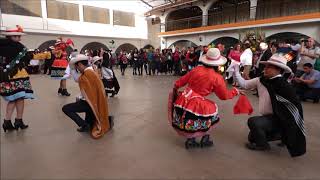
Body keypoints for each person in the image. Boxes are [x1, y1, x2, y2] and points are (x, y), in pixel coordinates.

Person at [233, 54, 306, 157]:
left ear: (278, 70)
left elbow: (294, 108)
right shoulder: (261, 80)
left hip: (279, 119)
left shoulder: (284, 86)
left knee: (253, 121)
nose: (265, 69)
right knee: (252, 138)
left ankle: (263, 145)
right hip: (268, 118)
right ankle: (278, 135)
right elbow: (244, 84)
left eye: (269, 67)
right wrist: (236, 70)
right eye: (266, 66)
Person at [170, 48, 240, 149]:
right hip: (197, 101)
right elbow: (223, 96)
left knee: (192, 117)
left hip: (184, 98)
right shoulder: (217, 77)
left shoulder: (196, 69)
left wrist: (175, 89)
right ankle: (205, 138)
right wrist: (235, 91)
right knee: (210, 113)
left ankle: (191, 139)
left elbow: (180, 81)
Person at [62, 54, 113, 138]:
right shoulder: (92, 71)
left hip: (90, 103)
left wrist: (81, 97)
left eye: (77, 67)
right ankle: (90, 123)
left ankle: (84, 125)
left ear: (80, 65)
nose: (77, 69)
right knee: (88, 113)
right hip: (95, 101)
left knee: (66, 108)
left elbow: (80, 82)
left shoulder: (87, 74)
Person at [0, 25, 34, 132]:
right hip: (18, 76)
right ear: (12, 37)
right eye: (17, 36)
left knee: (14, 99)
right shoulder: (18, 47)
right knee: (19, 98)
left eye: (19, 36)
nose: (20, 38)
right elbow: (28, 57)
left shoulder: (2, 46)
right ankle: (17, 121)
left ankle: (8, 121)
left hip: (6, 76)